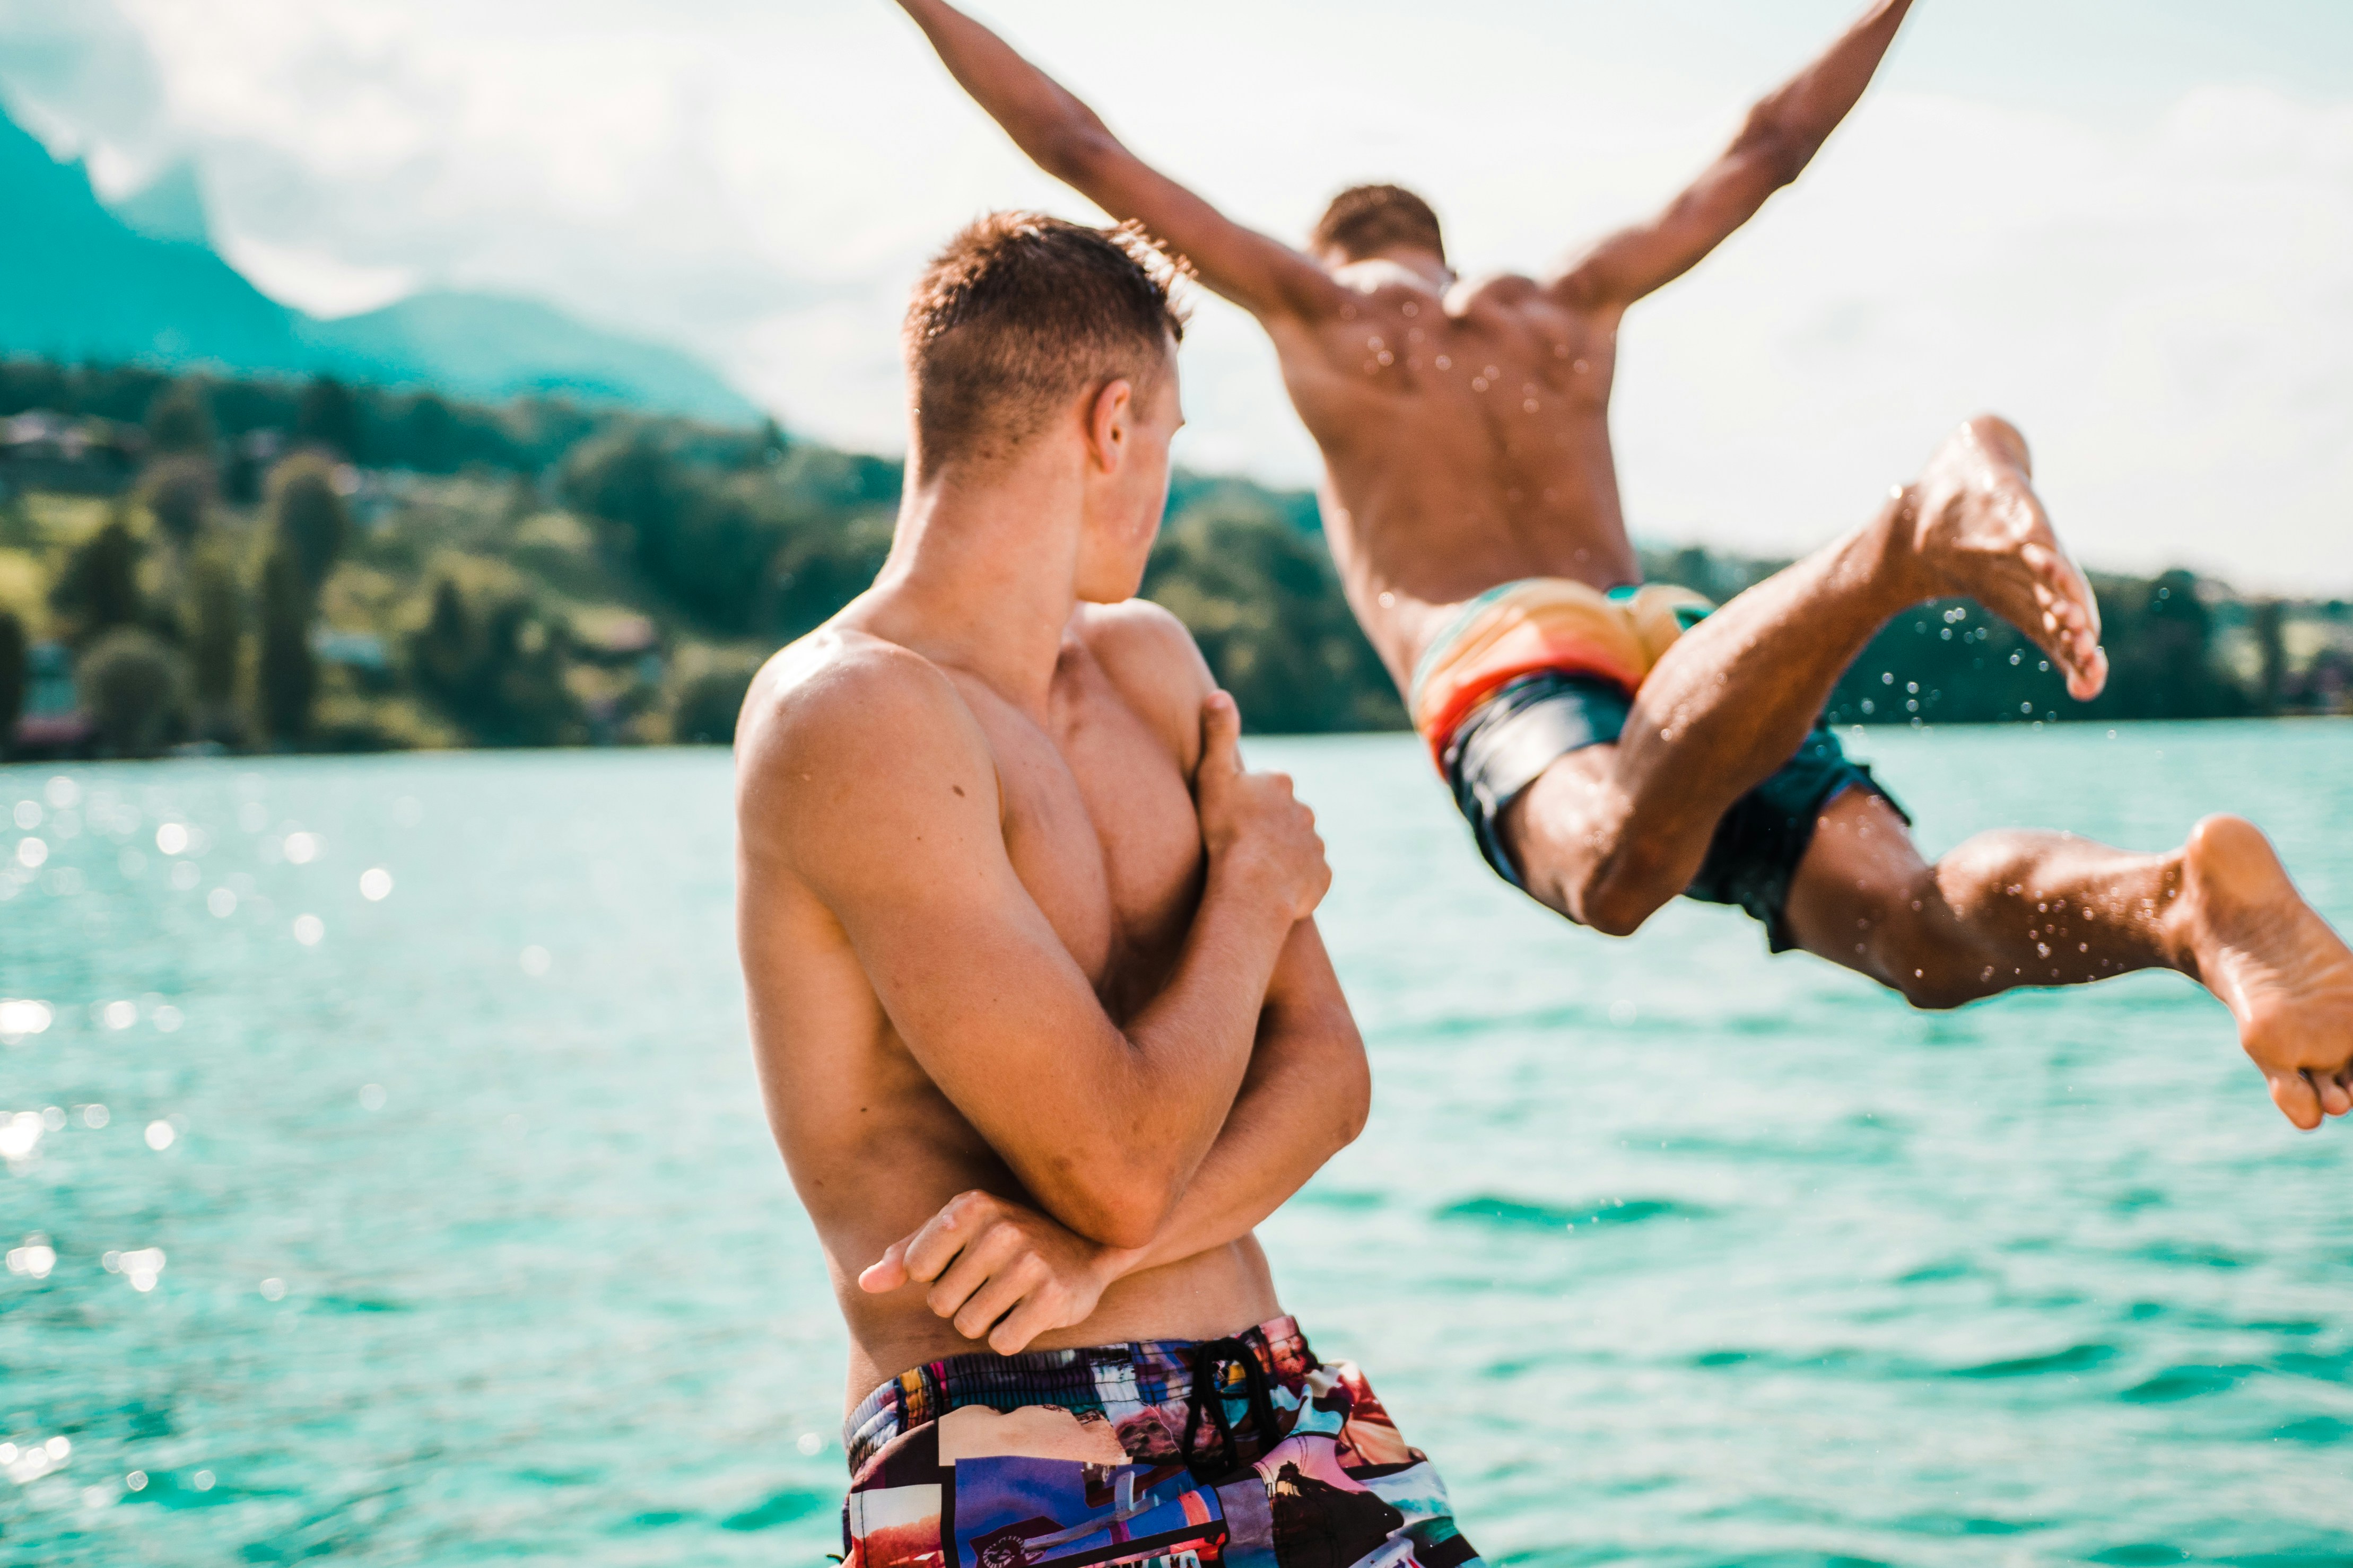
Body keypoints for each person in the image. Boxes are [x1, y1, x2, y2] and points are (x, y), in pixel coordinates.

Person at [891, 0, 2353, 1128]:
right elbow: (1765, 151)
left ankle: (1895, 541)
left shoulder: (1325, 315)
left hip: (1513, 654)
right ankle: (2178, 902)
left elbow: (1082, 151)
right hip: (1684, 647)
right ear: (1445, 252)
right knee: (1918, 932)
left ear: (1348, 246)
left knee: (1604, 872)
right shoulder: (1565, 306)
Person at [735, 213, 1483, 1567]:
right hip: (1010, 1440)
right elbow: (1117, 1166)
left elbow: (1329, 1076)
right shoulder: (853, 716)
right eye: (1175, 442)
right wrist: (1252, 895)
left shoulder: (1148, 666)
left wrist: (1091, 1265)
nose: (1165, 483)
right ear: (1113, 422)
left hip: (1278, 1397)